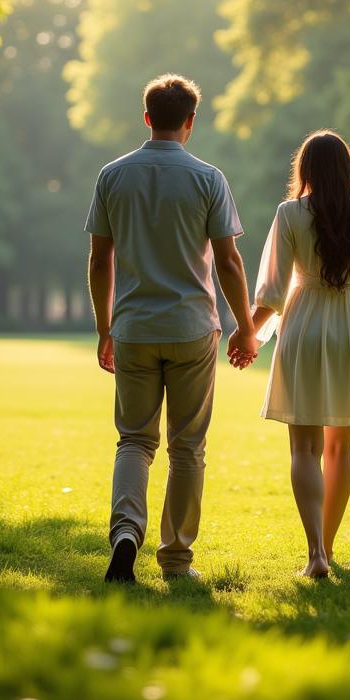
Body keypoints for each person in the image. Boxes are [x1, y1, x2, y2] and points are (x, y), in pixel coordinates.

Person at [85, 74, 259, 584]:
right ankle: (176, 559)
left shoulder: (112, 176)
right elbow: (229, 262)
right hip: (192, 328)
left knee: (134, 442)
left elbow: (100, 260)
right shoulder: (209, 178)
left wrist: (104, 328)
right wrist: (245, 327)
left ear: (146, 118)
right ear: (190, 123)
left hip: (134, 327)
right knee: (187, 447)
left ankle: (125, 534)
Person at [233, 131, 350, 578]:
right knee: (341, 449)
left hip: (306, 326)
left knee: (304, 448)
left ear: (306, 170)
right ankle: (329, 549)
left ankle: (315, 552)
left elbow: (273, 291)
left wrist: (248, 335)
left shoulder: (290, 213)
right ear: (347, 167)